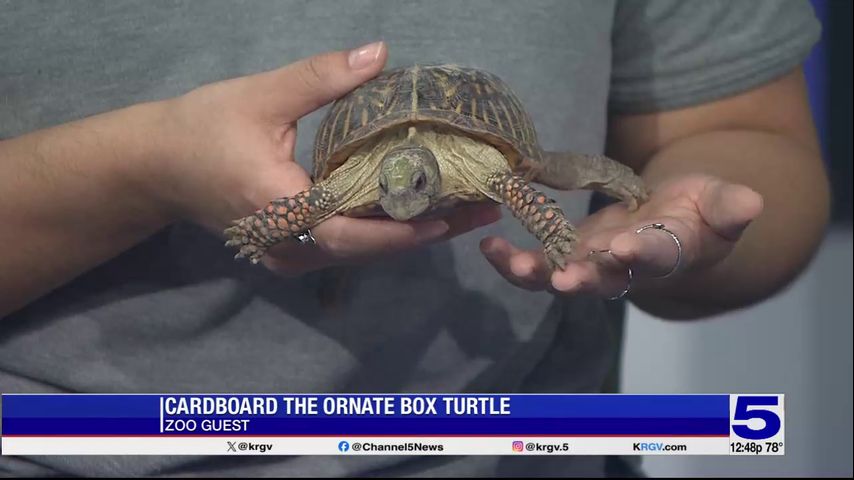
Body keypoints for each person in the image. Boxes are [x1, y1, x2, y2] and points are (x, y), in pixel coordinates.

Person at [0, 0, 828, 477]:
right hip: (68, 455)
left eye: (412, 188)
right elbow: (302, 208)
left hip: (529, 454)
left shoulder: (486, 168)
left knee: (552, 175)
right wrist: (143, 174)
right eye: (394, 188)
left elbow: (740, 129)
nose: (401, 198)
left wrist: (669, 226)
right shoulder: (371, 175)